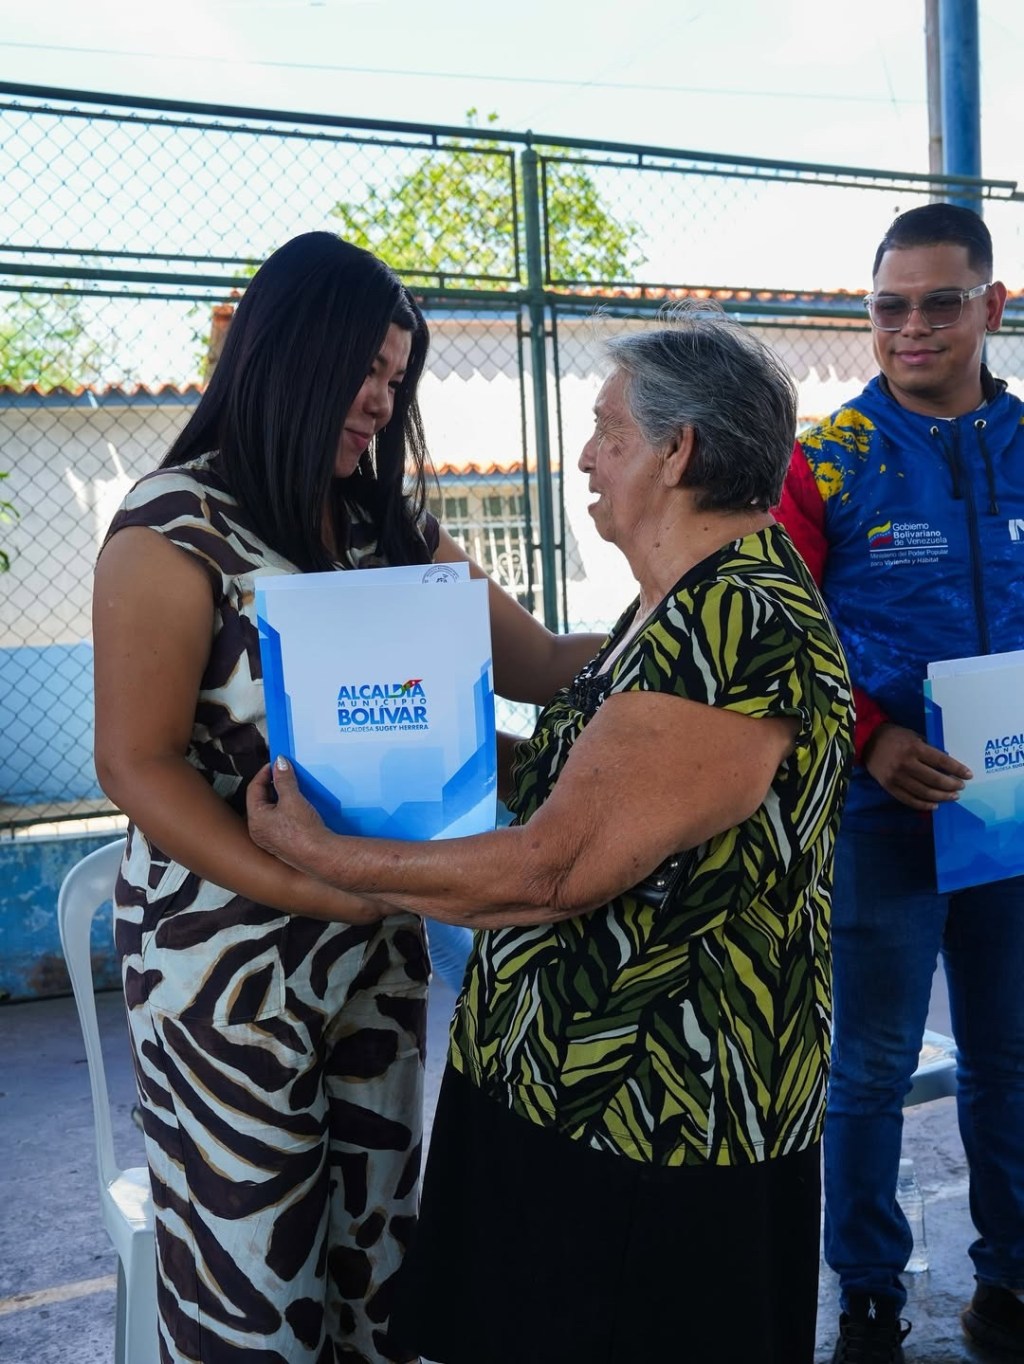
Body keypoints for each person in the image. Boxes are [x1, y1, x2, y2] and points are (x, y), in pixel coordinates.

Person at [246, 307, 854, 1364]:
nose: (584, 453)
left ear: (678, 452)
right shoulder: (669, 610)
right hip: (568, 1093)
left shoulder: (737, 617)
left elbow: (560, 862)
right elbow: (597, 778)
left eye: (608, 429)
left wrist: (329, 852)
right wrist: (419, 743)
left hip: (653, 1120)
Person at [91, 231, 602, 1364]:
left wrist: (700, 608)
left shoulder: (385, 529)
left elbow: (542, 665)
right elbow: (137, 764)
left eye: (394, 376)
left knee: (373, 1260)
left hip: (373, 942)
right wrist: (299, 881)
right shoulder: (174, 528)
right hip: (225, 966)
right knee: (254, 1285)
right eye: (364, 370)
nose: (381, 399)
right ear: (286, 357)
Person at [776, 202, 1024, 1364]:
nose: (911, 327)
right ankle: (868, 1289)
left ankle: (1010, 1281)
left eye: (938, 302)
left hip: (1009, 811)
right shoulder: (823, 460)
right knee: (868, 1065)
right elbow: (781, 636)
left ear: (992, 304)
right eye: (889, 306)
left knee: (1010, 1056)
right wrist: (871, 735)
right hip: (881, 812)